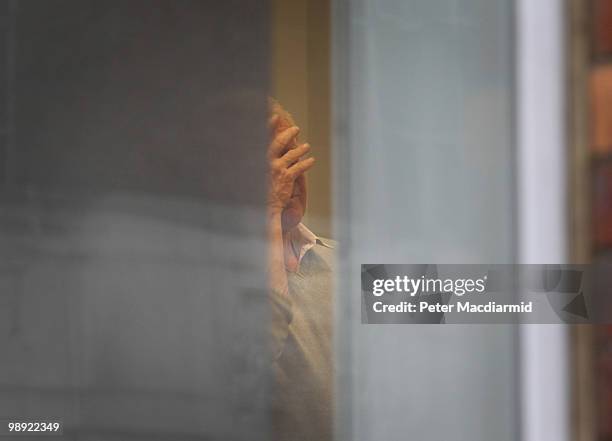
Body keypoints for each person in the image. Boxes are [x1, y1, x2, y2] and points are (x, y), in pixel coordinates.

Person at [267, 98, 335, 441]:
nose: (288, 178)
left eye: (292, 157)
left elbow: (482, 304)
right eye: (272, 166)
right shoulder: (203, 282)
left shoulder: (343, 260)